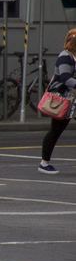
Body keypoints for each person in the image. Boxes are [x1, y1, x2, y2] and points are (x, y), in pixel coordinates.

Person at [38, 28, 76, 175]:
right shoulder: (65, 57)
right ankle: (44, 163)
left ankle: (44, 163)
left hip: (72, 99)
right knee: (55, 131)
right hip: (63, 99)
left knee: (55, 131)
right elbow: (66, 78)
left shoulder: (73, 56)